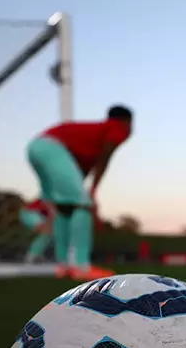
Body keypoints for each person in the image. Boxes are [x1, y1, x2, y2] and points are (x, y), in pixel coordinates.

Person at [27, 104, 134, 280]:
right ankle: (80, 266)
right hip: (52, 148)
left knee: (63, 209)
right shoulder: (118, 127)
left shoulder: (90, 140)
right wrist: (91, 193)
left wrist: (85, 193)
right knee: (82, 206)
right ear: (127, 121)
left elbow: (79, 174)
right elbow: (105, 158)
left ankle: (64, 266)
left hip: (36, 148)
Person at [20, 198, 53, 263]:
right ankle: (33, 255)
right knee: (47, 231)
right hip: (31, 212)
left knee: (50, 234)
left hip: (39, 214)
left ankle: (36, 253)